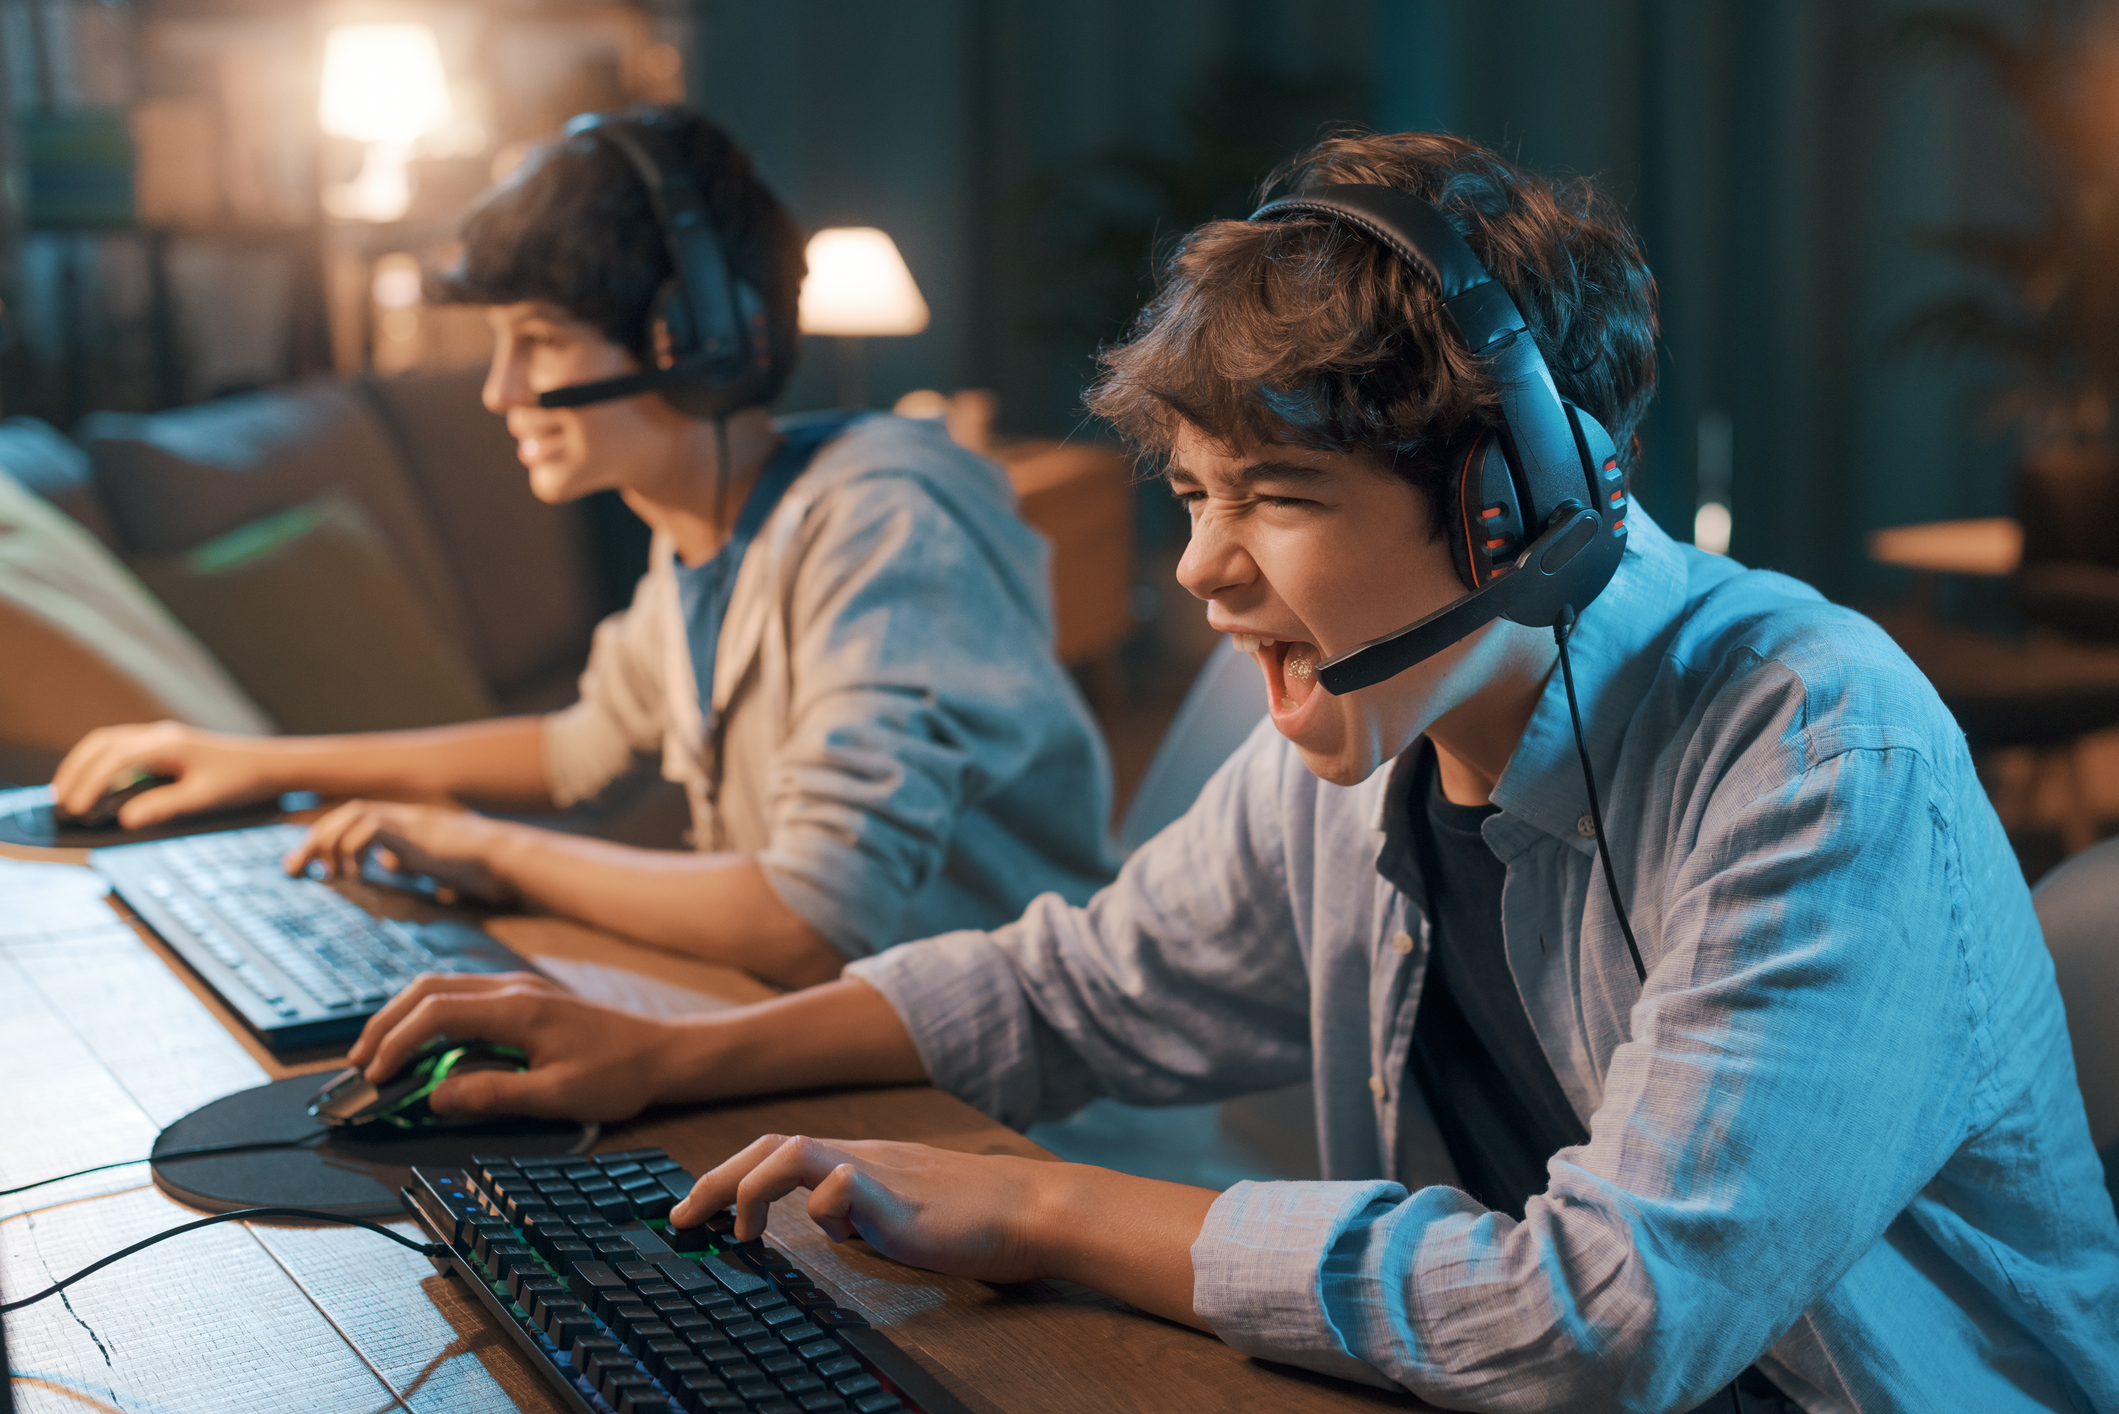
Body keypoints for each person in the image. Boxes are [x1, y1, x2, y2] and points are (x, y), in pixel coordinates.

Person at [338, 131, 2119, 1412]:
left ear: (1512, 507)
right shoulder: (1371, 738)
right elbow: (1081, 983)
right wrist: (671, 1053)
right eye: (1191, 493)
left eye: (1270, 496)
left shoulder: (1805, 750)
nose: (1195, 568)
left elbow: (1603, 1315)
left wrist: (1045, 1204)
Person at [51, 106, 1116, 989]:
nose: (499, 391)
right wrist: (256, 761)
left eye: (540, 343)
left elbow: (807, 914)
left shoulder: (879, 525)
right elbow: (575, 748)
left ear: (694, 336)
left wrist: (484, 846)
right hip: (855, 1061)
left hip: (1012, 1127)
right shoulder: (704, 530)